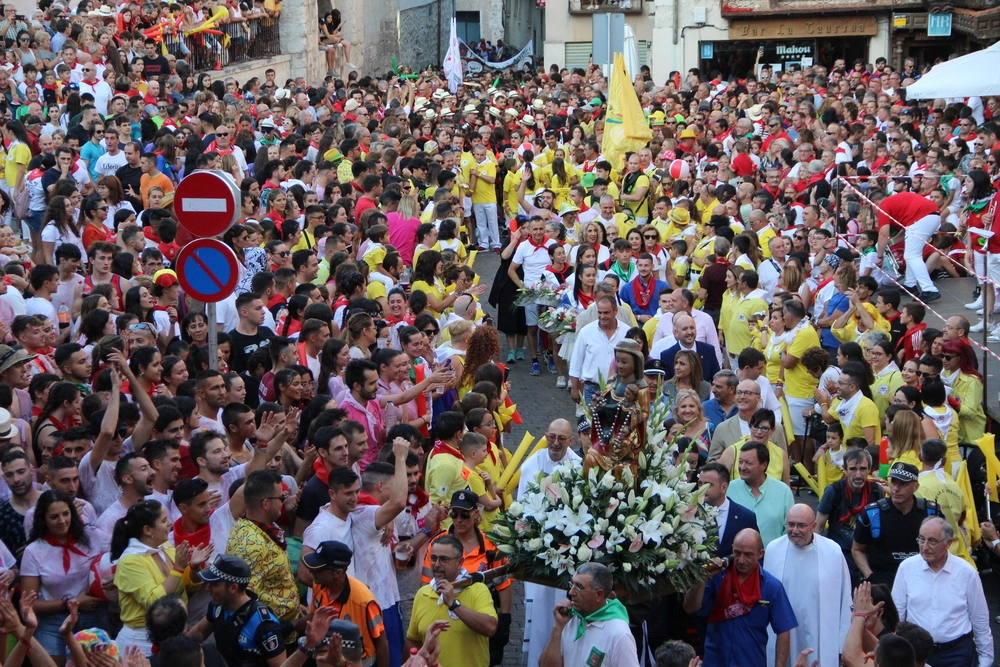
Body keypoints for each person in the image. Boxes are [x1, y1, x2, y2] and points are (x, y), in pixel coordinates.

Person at [517, 418, 581, 667]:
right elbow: (522, 508)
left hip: (568, 551)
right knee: (540, 610)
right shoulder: (531, 466)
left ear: (571, 441)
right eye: (551, 437)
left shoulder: (578, 466)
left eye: (561, 439)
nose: (555, 443)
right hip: (540, 551)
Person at [682, 528, 797, 667]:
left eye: (748, 555)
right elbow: (690, 608)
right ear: (732, 549)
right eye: (737, 553)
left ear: (761, 554)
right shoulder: (717, 576)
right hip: (716, 661)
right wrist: (703, 576)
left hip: (750, 661)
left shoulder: (772, 586)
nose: (741, 560)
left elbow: (784, 630)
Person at [112, 499, 213, 655]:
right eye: (164, 520)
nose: (170, 523)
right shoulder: (129, 561)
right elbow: (154, 602)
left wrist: (193, 567)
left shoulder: (164, 546)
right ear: (147, 530)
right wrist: (178, 567)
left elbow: (184, 585)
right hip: (141, 642)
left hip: (175, 634)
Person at [891, 517, 993, 667]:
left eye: (932, 541)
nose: (924, 547)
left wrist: (985, 660)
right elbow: (897, 613)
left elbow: (980, 618)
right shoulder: (907, 568)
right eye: (921, 539)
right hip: (915, 653)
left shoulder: (966, 573)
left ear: (948, 543)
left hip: (956, 653)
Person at [762, 504, 852, 667]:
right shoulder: (774, 550)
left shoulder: (832, 551)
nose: (795, 530)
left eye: (801, 525)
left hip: (820, 633)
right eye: (790, 524)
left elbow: (845, 600)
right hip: (784, 633)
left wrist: (842, 644)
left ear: (814, 526)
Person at [405, 535, 497, 667]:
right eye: (433, 558)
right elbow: (413, 641)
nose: (437, 564)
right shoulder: (422, 594)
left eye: (444, 559)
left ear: (459, 562)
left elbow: (490, 628)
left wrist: (453, 604)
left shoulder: (478, 590)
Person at [226, 470, 299, 624]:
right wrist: (289, 625)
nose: (284, 502)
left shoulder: (261, 528)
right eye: (281, 498)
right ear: (265, 503)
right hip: (270, 634)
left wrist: (295, 608)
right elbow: (246, 598)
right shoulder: (252, 544)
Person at [301, 541, 388, 667]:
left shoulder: (364, 601)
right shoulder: (318, 585)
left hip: (358, 662)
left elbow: (381, 642)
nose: (311, 572)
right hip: (326, 657)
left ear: (337, 572)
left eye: (318, 569)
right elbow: (315, 616)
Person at [852, 461, 941, 587]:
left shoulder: (931, 512)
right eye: (893, 482)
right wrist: (870, 577)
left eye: (903, 484)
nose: (896, 488)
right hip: (883, 582)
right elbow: (856, 549)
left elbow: (943, 546)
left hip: (922, 580)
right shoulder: (872, 513)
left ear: (916, 487)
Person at [188, 554, 286, 667]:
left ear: (233, 588)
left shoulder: (263, 623)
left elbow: (282, 665)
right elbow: (199, 632)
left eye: (214, 584)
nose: (207, 589)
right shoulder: (218, 606)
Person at [539, 561, 639, 667]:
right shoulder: (569, 618)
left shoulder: (619, 634)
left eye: (579, 587)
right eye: (572, 584)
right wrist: (558, 627)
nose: (571, 592)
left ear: (599, 594)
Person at [816, 448, 885, 581]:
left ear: (870, 469)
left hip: (867, 557)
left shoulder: (877, 491)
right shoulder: (834, 491)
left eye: (863, 469)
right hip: (838, 557)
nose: (858, 474)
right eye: (853, 469)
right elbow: (817, 527)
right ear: (845, 469)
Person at [914, 438, 974, 567]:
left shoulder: (918, 487)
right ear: (945, 460)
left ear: (920, 457)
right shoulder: (955, 485)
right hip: (956, 555)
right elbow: (962, 518)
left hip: (929, 557)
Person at [725, 441, 794, 547]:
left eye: (749, 463)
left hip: (773, 558)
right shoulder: (729, 489)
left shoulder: (783, 491)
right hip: (736, 559)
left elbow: (790, 528)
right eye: (740, 462)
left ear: (763, 465)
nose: (742, 467)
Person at [569, 296, 630, 409]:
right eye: (600, 312)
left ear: (616, 311)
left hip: (617, 389)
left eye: (606, 313)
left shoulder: (626, 332)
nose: (602, 316)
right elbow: (576, 361)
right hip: (592, 389)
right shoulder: (586, 331)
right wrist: (574, 388)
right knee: (591, 425)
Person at [699, 462, 758, 559]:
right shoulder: (691, 513)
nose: (702, 488)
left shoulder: (745, 517)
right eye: (700, 483)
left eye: (708, 485)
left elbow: (755, 555)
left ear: (724, 487)